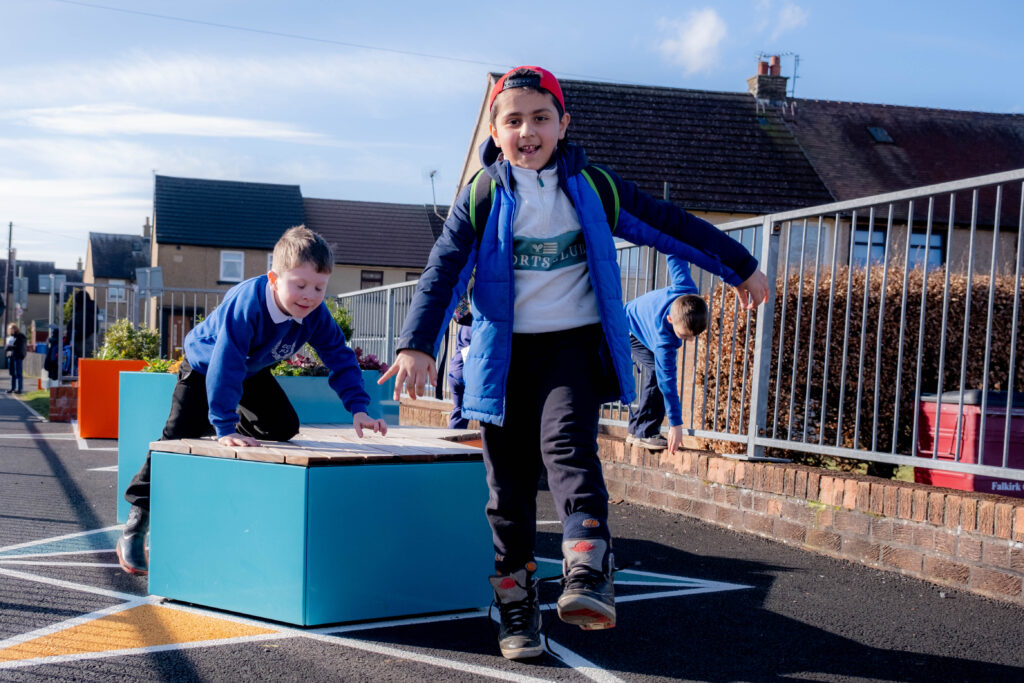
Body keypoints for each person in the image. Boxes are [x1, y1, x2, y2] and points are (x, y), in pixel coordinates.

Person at [379, 66, 769, 660]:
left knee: (567, 447)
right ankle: (514, 604)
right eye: (514, 121)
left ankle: (588, 569)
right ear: (495, 129)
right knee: (507, 490)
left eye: (540, 118)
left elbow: (669, 225)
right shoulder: (481, 196)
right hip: (503, 357)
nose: (527, 131)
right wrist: (415, 343)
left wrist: (738, 265)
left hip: (571, 349)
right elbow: (443, 269)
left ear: (563, 124)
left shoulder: (593, 187)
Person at [117, 225, 388, 576]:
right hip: (205, 366)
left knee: (283, 426)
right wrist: (225, 425)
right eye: (300, 285)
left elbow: (340, 357)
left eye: (319, 287)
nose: (309, 295)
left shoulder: (315, 316)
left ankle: (215, 423)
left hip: (250, 371)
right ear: (274, 278)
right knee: (174, 438)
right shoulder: (247, 304)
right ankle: (137, 522)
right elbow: (225, 363)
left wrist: (359, 409)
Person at [625, 254, 709, 453]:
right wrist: (675, 424)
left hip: (641, 321)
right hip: (628, 327)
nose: (687, 341)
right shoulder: (665, 341)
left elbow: (675, 257)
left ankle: (636, 429)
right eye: (683, 335)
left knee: (657, 372)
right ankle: (645, 432)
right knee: (658, 372)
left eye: (692, 337)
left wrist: (672, 237)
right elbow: (668, 383)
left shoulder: (686, 289)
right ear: (671, 320)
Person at [447, 293, 473, 429]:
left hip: (454, 372)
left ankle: (452, 441)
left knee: (459, 411)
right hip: (467, 372)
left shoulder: (465, 326)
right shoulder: (477, 325)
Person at [5, 323, 26, 394]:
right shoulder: (9, 337)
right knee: (12, 373)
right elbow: (7, 348)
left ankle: (19, 389)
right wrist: (7, 347)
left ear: (16, 329)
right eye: (10, 329)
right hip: (10, 356)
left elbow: (20, 347)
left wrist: (11, 346)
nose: (12, 330)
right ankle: (12, 388)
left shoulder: (20, 336)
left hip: (17, 356)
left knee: (18, 373)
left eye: (13, 328)